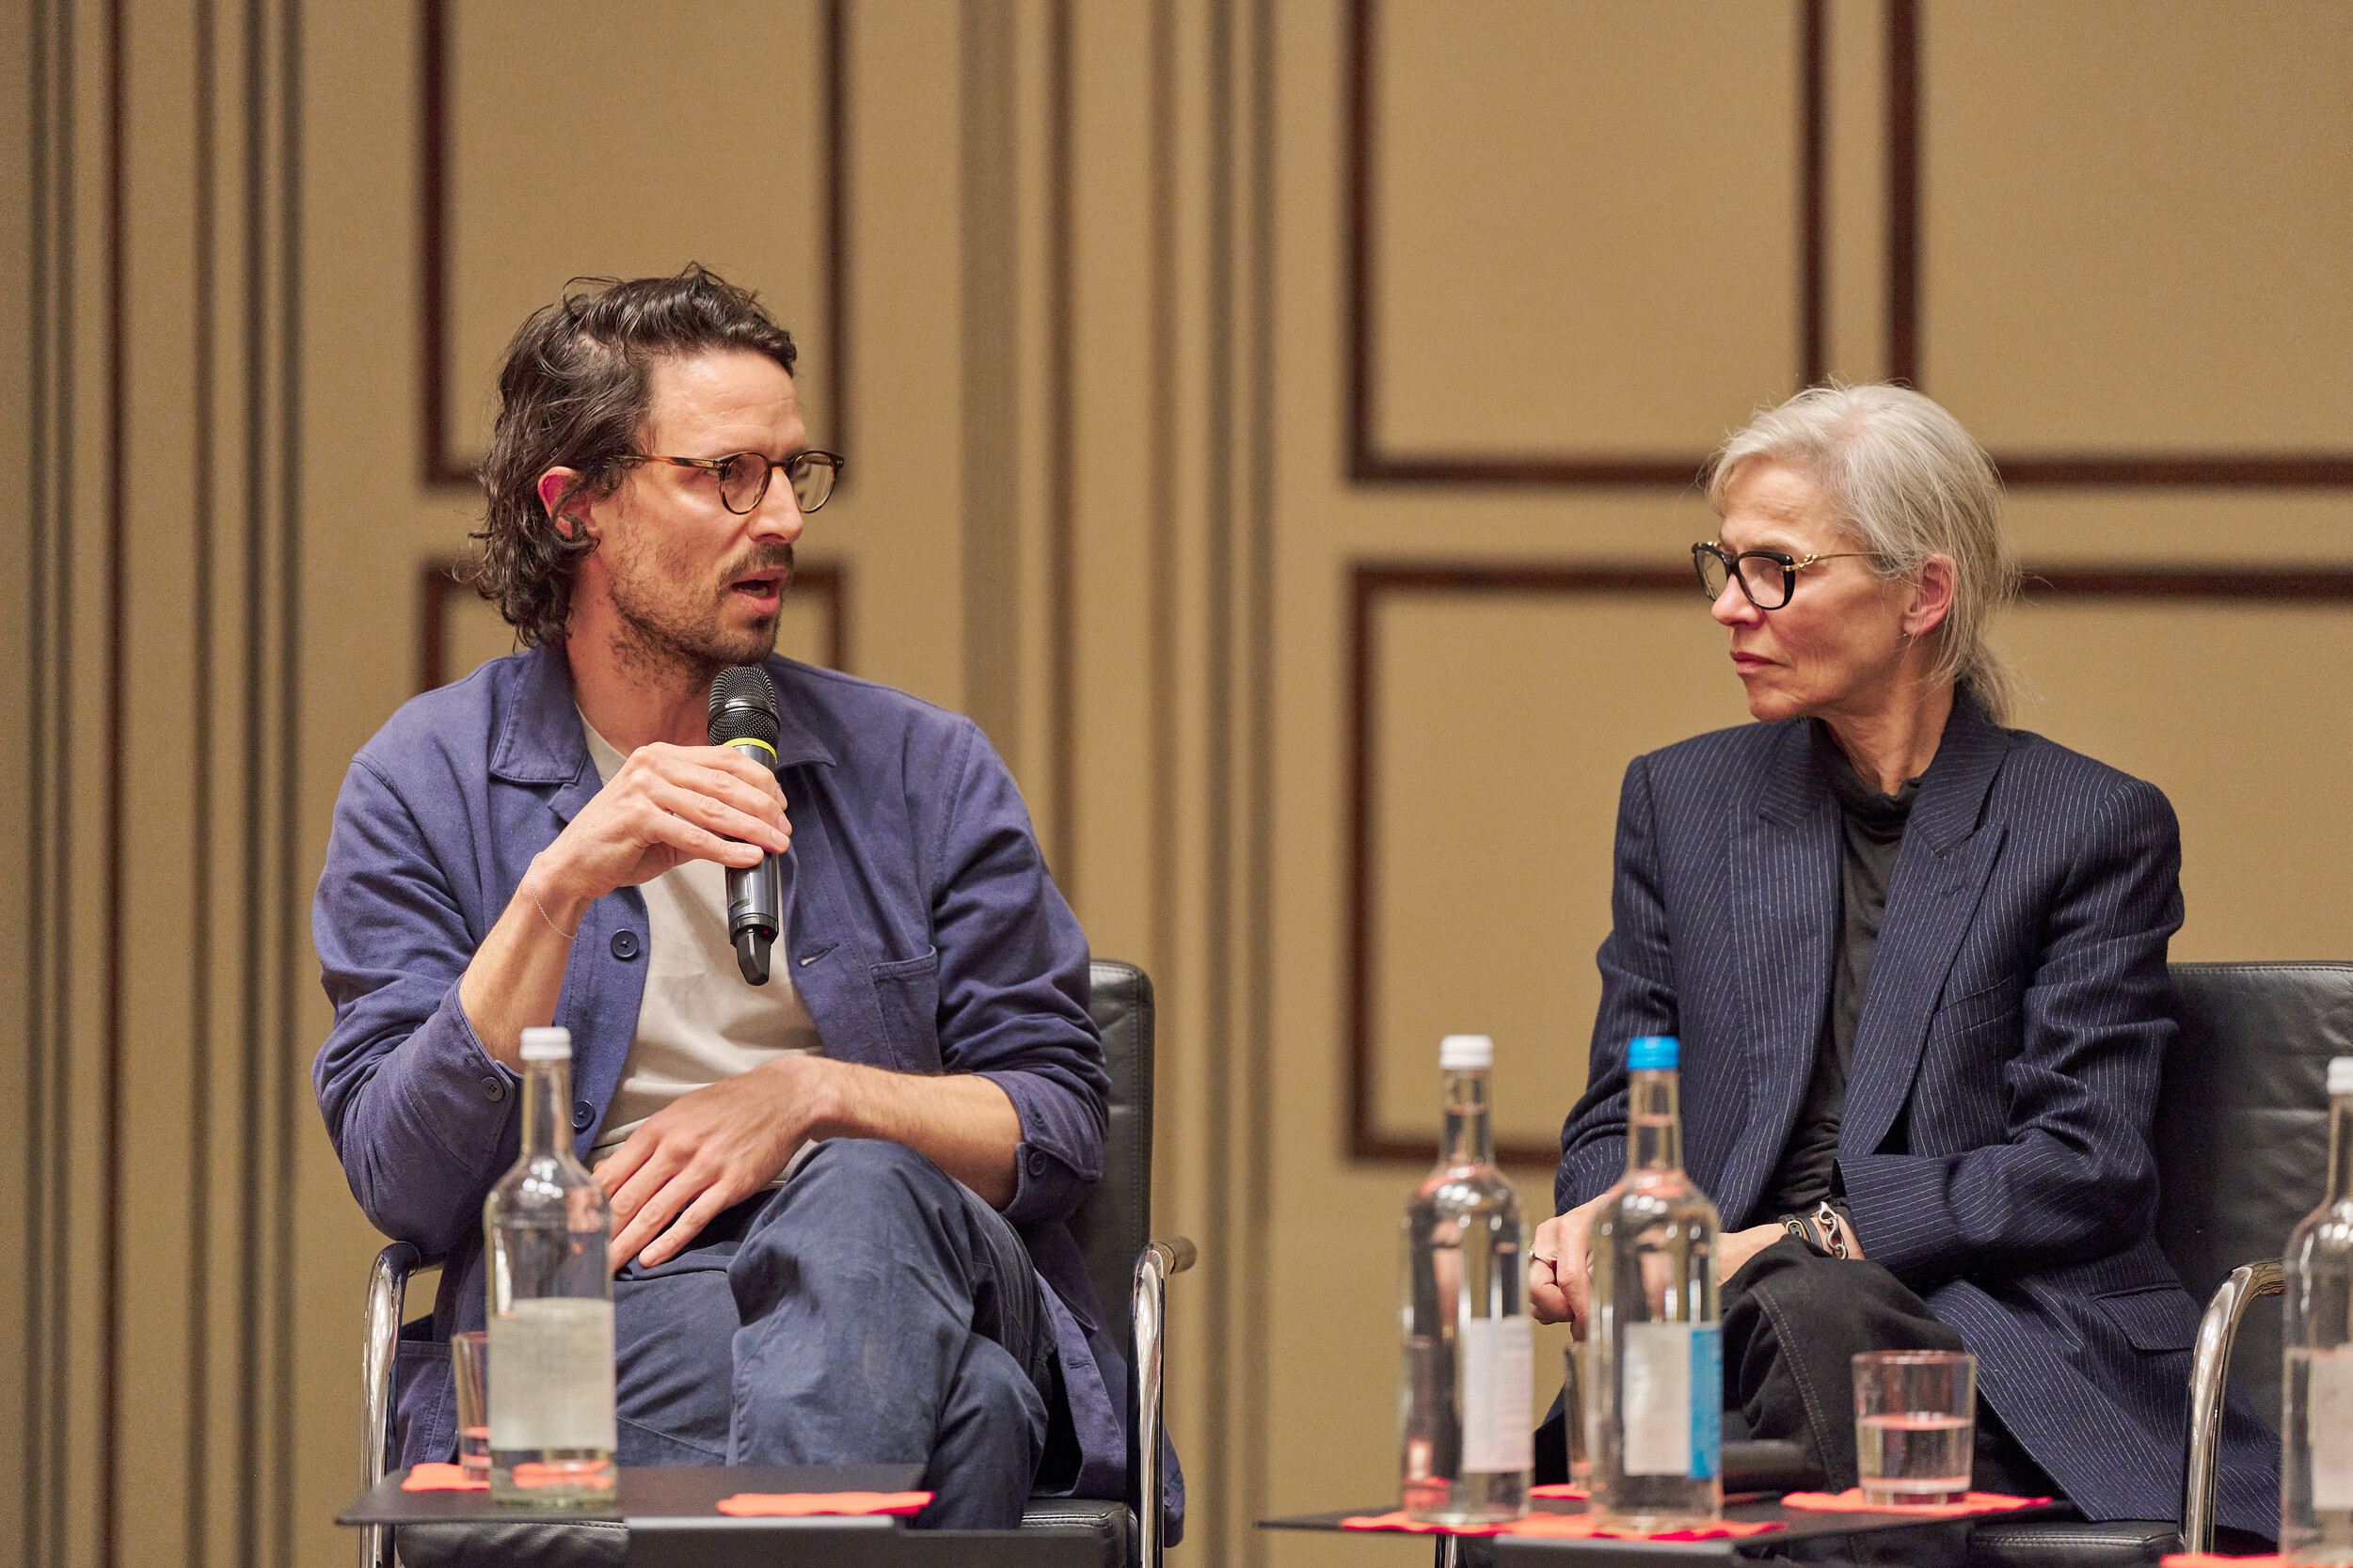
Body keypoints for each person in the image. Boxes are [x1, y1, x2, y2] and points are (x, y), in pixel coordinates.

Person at [313, 264, 1169, 1532]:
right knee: (978, 1409)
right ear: (576, 506)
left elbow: (1054, 1120)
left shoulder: (923, 768)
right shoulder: (426, 780)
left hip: (928, 1251)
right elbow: (408, 1180)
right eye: (727, 475)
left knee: (859, 1192)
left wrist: (813, 1098)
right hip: (613, 1304)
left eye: (791, 471)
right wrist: (558, 887)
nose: (780, 519)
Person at [1526, 384, 2274, 1539]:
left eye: (1774, 569)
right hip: (1710, 1333)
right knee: (1746, 1356)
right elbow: (1620, 1113)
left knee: (1808, 1323)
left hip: (1991, 1345)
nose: (1729, 606)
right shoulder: (1681, 803)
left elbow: (2079, 1162)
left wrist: (1799, 1240)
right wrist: (1604, 1223)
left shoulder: (2084, 823)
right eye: (1719, 565)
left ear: (1922, 592)